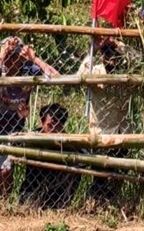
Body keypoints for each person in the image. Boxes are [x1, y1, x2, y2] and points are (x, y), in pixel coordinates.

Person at [0, 36, 57, 196]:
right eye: (9, 55)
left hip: (14, 130)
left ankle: (3, 204)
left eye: (15, 56)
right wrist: (2, 53)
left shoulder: (29, 69)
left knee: (6, 171)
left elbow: (57, 77)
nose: (11, 60)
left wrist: (34, 58)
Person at [78, 38, 131, 204]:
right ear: (101, 56)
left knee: (118, 174)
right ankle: (96, 203)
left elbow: (140, 60)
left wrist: (119, 45)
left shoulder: (127, 73)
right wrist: (94, 49)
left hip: (122, 132)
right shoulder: (96, 72)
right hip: (100, 131)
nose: (110, 58)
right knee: (100, 176)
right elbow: (80, 75)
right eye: (106, 53)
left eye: (113, 53)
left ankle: (112, 201)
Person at [20, 104, 76, 209]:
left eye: (58, 126)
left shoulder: (69, 142)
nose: (54, 130)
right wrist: (22, 118)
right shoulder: (33, 137)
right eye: (50, 126)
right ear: (42, 123)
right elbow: (15, 144)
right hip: (32, 187)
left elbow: (83, 159)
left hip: (57, 190)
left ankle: (63, 203)